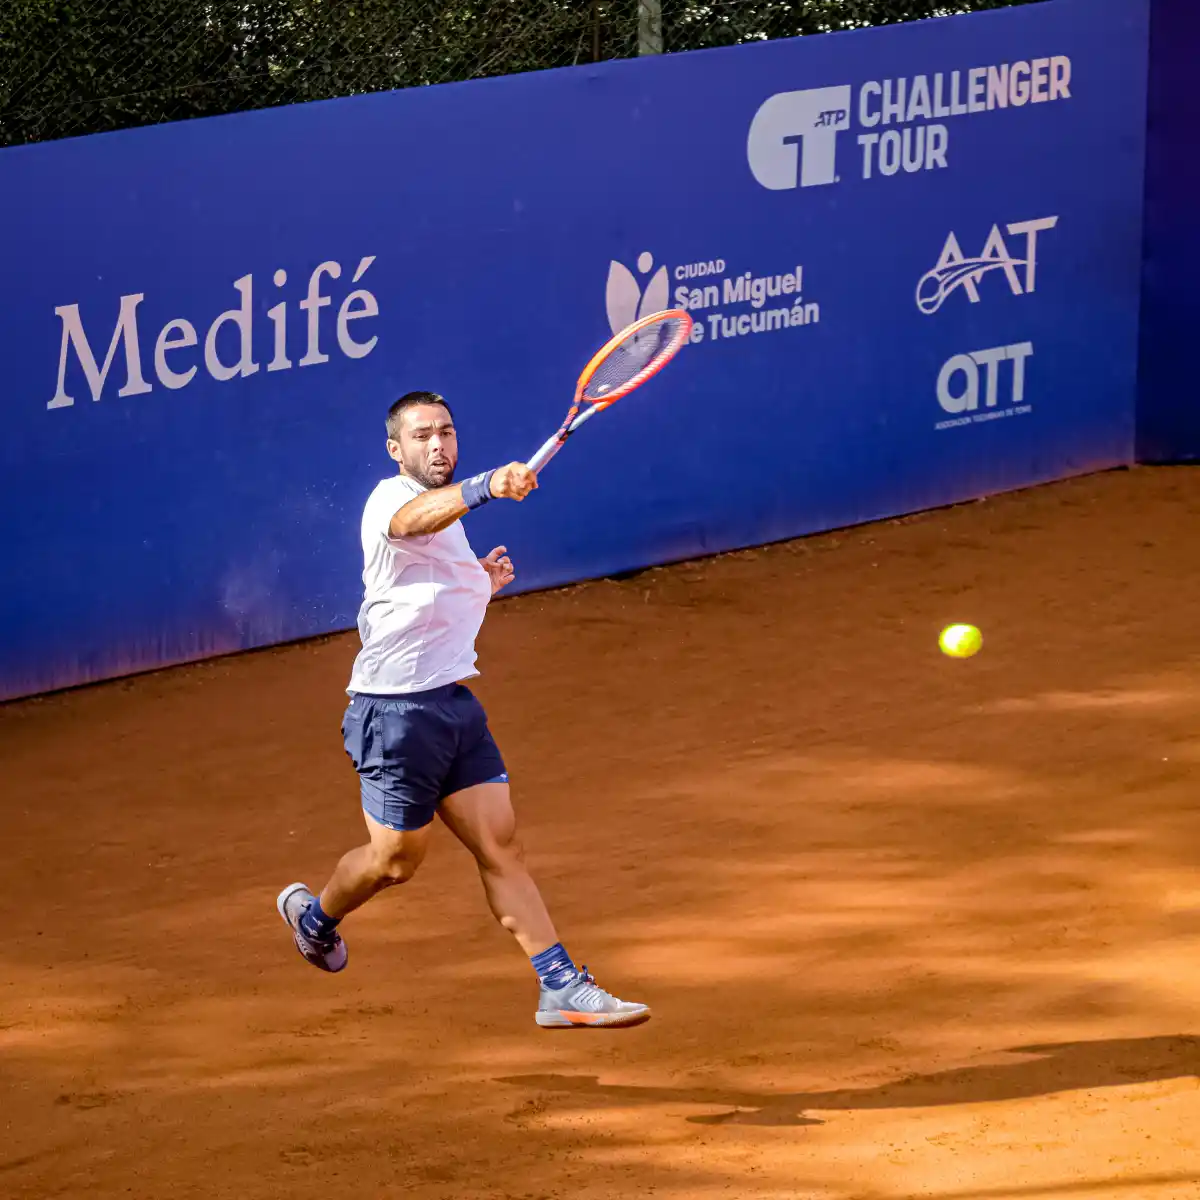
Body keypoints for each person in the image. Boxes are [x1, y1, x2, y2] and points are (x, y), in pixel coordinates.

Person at [276, 391, 649, 1029]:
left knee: (502, 846)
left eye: (446, 432)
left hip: (454, 704)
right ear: (397, 450)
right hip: (393, 716)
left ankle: (559, 985)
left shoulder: (450, 517)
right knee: (395, 862)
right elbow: (412, 523)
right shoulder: (390, 499)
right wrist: (489, 485)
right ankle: (315, 919)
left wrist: (478, 580)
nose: (438, 445)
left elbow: (428, 585)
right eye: (422, 436)